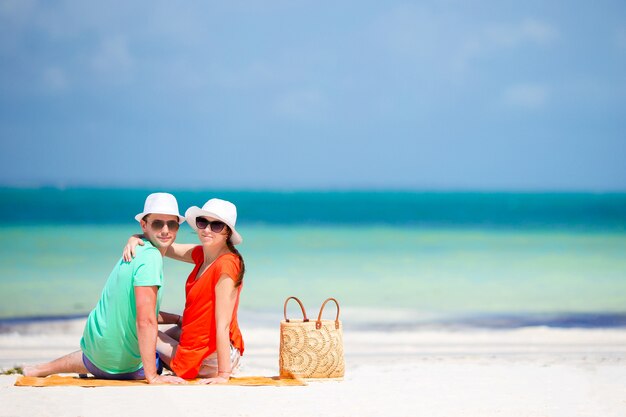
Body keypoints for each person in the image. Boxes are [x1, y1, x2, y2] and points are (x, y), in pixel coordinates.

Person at [23, 193, 187, 385]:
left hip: (94, 352)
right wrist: (152, 376)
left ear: (177, 227)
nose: (165, 230)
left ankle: (42, 368)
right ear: (145, 225)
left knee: (110, 346)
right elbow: (146, 320)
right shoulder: (151, 259)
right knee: (181, 343)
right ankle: (148, 368)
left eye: (172, 224)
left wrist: (176, 318)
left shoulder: (138, 249)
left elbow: (131, 311)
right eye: (158, 224)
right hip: (124, 366)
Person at [123, 198, 245, 384]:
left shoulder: (226, 265)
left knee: (136, 329)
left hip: (212, 359)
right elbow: (164, 244)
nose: (207, 230)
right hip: (203, 343)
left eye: (217, 225)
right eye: (202, 222)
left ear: (227, 232)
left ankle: (108, 364)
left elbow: (223, 325)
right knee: (162, 330)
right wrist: (137, 237)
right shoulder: (202, 255)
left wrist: (223, 374)